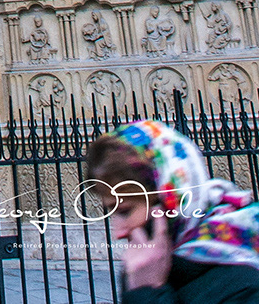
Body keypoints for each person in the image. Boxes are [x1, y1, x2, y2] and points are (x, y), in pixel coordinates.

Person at [86, 121, 259, 304]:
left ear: (171, 201)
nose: (118, 232)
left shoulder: (245, 285)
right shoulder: (146, 269)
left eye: (125, 211)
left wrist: (147, 294)